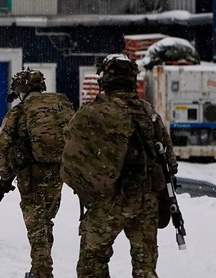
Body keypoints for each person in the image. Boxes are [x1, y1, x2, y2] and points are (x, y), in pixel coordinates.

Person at [62, 54, 177, 278]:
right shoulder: (148, 112)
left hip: (108, 202)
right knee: (145, 268)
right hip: (145, 200)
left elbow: (71, 152)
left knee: (92, 262)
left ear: (104, 80)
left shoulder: (92, 112)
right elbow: (170, 160)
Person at [0, 70, 75, 278]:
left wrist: (4, 176)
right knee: (46, 219)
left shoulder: (19, 112)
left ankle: (41, 271)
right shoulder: (59, 106)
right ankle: (41, 266)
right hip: (58, 172)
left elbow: (1, 144)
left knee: (35, 223)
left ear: (21, 90)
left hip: (30, 174)